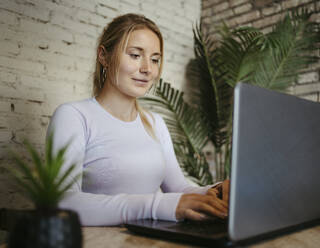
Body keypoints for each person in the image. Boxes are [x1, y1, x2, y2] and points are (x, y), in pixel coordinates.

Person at [47, 13, 229, 226]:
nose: (147, 69)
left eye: (154, 59)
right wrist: (156, 206)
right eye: (135, 55)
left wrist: (215, 191)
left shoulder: (155, 123)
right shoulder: (73, 116)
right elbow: (62, 202)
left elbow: (179, 189)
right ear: (104, 56)